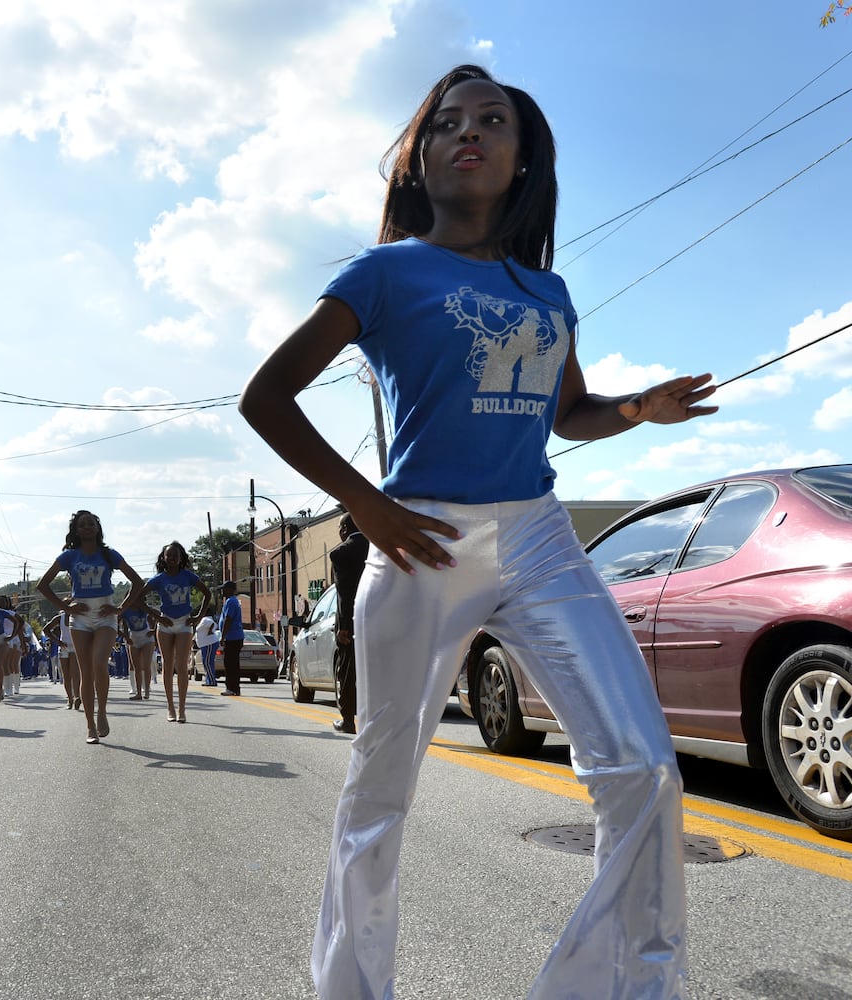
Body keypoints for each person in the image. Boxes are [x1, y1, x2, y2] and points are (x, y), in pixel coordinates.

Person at [238, 64, 715, 1000]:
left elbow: (566, 410)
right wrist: (368, 508)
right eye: (448, 122)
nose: (469, 133)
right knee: (380, 794)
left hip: (538, 534)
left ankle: (613, 989)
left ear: (521, 153)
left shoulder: (547, 289)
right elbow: (267, 397)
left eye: (491, 120)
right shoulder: (384, 273)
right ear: (420, 157)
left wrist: (635, 410)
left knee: (643, 768)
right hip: (424, 539)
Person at [36, 510, 145, 744]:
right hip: (81, 617)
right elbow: (42, 585)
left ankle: (102, 712)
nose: (87, 527)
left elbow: (138, 582)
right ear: (76, 530)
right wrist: (67, 608)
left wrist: (119, 609)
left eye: (91, 523)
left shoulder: (109, 554)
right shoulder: (69, 556)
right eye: (82, 524)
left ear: (98, 528)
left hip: (106, 613)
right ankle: (89, 726)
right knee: (86, 671)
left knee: (99, 663)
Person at [141, 541, 211, 723]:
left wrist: (197, 617)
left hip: (184, 623)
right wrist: (155, 615)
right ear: (163, 558)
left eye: (175, 556)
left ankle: (182, 708)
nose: (172, 558)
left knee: (181, 665)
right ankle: (170, 707)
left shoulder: (188, 576)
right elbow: (138, 597)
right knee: (167, 664)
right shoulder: (159, 579)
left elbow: (207, 593)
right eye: (168, 556)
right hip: (165, 623)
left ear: (180, 558)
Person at [327, 512, 369, 735]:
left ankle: (348, 721)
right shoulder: (377, 547)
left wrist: (343, 626)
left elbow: (344, 593)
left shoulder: (341, 553)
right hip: (378, 619)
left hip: (352, 623)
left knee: (347, 672)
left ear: (344, 529)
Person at [118, 603, 156, 700]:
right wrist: (125, 637)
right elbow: (115, 624)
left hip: (146, 637)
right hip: (133, 637)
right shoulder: (125, 611)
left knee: (146, 665)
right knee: (136, 667)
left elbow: (158, 615)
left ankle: (146, 691)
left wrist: (154, 630)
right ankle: (138, 693)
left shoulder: (144, 607)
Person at [217, 580, 245, 696]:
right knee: (233, 663)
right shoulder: (233, 601)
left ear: (230, 590)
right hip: (235, 637)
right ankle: (234, 688)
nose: (222, 591)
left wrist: (222, 637)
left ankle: (231, 688)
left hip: (232, 637)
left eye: (224, 589)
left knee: (230, 664)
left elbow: (228, 619)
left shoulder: (231, 602)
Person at [193, 611, 220, 687]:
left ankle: (212, 681)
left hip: (209, 643)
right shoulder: (202, 622)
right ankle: (209, 680)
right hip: (205, 644)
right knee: (206, 662)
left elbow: (213, 624)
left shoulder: (205, 619)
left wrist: (210, 631)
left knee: (208, 662)